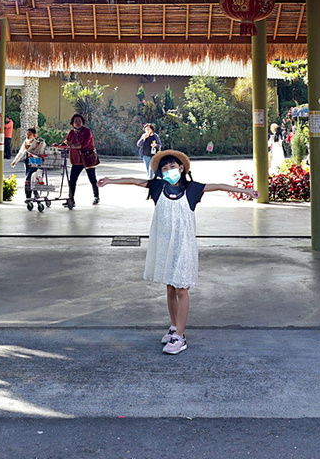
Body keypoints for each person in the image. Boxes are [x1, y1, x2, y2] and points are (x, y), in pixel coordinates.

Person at [99, 150, 256, 355]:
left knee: (182, 289)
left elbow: (218, 185)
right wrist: (109, 180)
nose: (169, 171)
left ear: (181, 168)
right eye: (164, 169)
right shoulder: (158, 187)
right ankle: (174, 326)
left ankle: (180, 337)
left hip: (184, 246)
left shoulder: (192, 189)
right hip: (165, 245)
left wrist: (245, 191)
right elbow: (135, 181)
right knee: (170, 288)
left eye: (172, 167)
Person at [64, 114, 100, 208]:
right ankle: (71, 199)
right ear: (72, 123)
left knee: (92, 178)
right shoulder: (71, 132)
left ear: (83, 122)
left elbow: (84, 144)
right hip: (76, 159)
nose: (78, 123)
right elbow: (66, 141)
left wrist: (71, 146)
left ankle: (96, 196)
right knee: (72, 180)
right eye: (75, 121)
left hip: (88, 158)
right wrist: (61, 145)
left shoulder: (87, 131)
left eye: (79, 121)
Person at [10, 127, 47, 200]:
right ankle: (35, 194)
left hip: (35, 162)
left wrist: (29, 150)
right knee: (30, 179)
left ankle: (28, 196)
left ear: (34, 135)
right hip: (27, 162)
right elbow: (21, 153)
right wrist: (14, 161)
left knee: (29, 179)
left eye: (30, 134)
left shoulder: (37, 143)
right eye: (27, 134)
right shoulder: (25, 142)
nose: (28, 135)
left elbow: (38, 153)